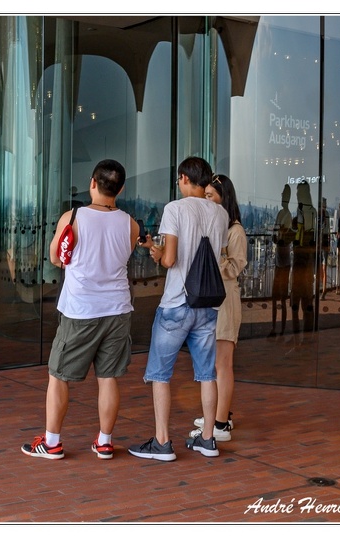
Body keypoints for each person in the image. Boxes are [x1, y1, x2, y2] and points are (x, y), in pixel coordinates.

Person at [21, 159, 139, 460]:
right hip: (118, 309)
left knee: (58, 375)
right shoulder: (131, 224)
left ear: (92, 183)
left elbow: (56, 258)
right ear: (121, 189)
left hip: (80, 310)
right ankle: (104, 442)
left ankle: (52, 443)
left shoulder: (72, 218)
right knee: (108, 377)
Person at [128, 156, 228, 461]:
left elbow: (171, 260)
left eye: (178, 179)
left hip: (176, 303)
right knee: (207, 373)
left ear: (184, 178)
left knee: (160, 373)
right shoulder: (221, 214)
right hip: (207, 303)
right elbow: (206, 255)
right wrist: (159, 252)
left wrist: (157, 256)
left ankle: (162, 442)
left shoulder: (175, 209)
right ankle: (208, 439)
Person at [189, 174, 247, 442]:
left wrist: (213, 257)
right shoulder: (219, 227)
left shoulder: (235, 231)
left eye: (211, 196)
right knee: (214, 362)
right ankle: (219, 414)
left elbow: (235, 267)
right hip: (216, 300)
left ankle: (221, 422)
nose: (207, 200)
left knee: (223, 363)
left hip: (226, 300)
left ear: (224, 198)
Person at [291, 181, 316, 334]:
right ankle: (304, 336)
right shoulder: (305, 213)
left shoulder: (307, 214)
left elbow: (306, 238)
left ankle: (304, 335)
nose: (298, 195)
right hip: (303, 262)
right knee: (303, 301)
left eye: (299, 192)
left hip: (304, 263)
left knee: (302, 301)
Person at [269, 185, 294, 337]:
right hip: (279, 261)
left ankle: (282, 329)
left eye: (284, 194)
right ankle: (274, 327)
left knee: (282, 298)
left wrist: (279, 239)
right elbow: (278, 234)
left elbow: (285, 238)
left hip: (283, 262)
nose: (282, 196)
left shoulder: (288, 215)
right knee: (275, 297)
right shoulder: (281, 214)